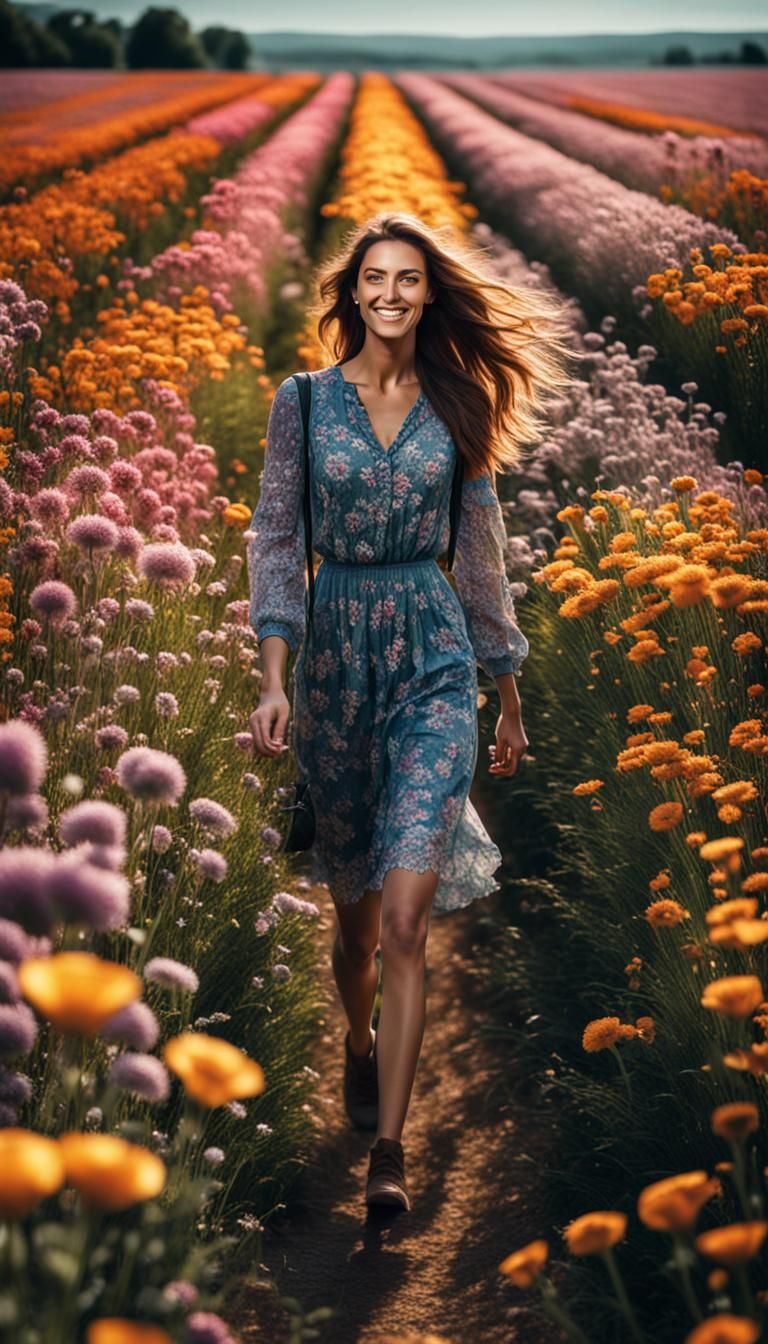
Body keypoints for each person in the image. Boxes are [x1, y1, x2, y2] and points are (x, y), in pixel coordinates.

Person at [246, 211, 574, 1214]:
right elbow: (273, 540)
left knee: (403, 918)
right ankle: (359, 1040)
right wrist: (272, 676)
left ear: (430, 295)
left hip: (432, 657)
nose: (391, 293)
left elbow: (480, 560)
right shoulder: (300, 404)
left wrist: (506, 695)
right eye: (375, 279)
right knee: (351, 924)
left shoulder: (459, 401)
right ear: (353, 294)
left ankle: (391, 1153)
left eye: (410, 279)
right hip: (337, 664)